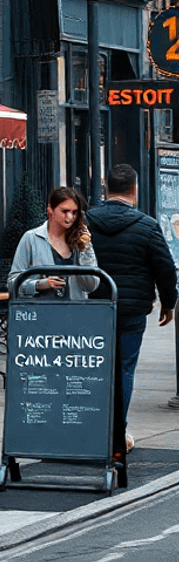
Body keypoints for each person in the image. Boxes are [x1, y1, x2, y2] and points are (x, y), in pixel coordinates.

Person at [85, 164, 177, 450]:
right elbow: (164, 267)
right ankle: (117, 435)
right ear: (135, 190)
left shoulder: (85, 221)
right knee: (124, 368)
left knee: (94, 368)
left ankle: (89, 430)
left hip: (93, 306)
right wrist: (168, 302)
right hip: (132, 308)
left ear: (106, 188)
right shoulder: (147, 225)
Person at [9, 186, 99, 302]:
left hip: (75, 312)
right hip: (41, 312)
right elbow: (12, 283)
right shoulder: (31, 238)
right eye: (65, 211)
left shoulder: (79, 240)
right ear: (50, 210)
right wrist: (41, 284)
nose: (70, 217)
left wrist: (85, 249)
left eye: (74, 212)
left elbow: (92, 285)